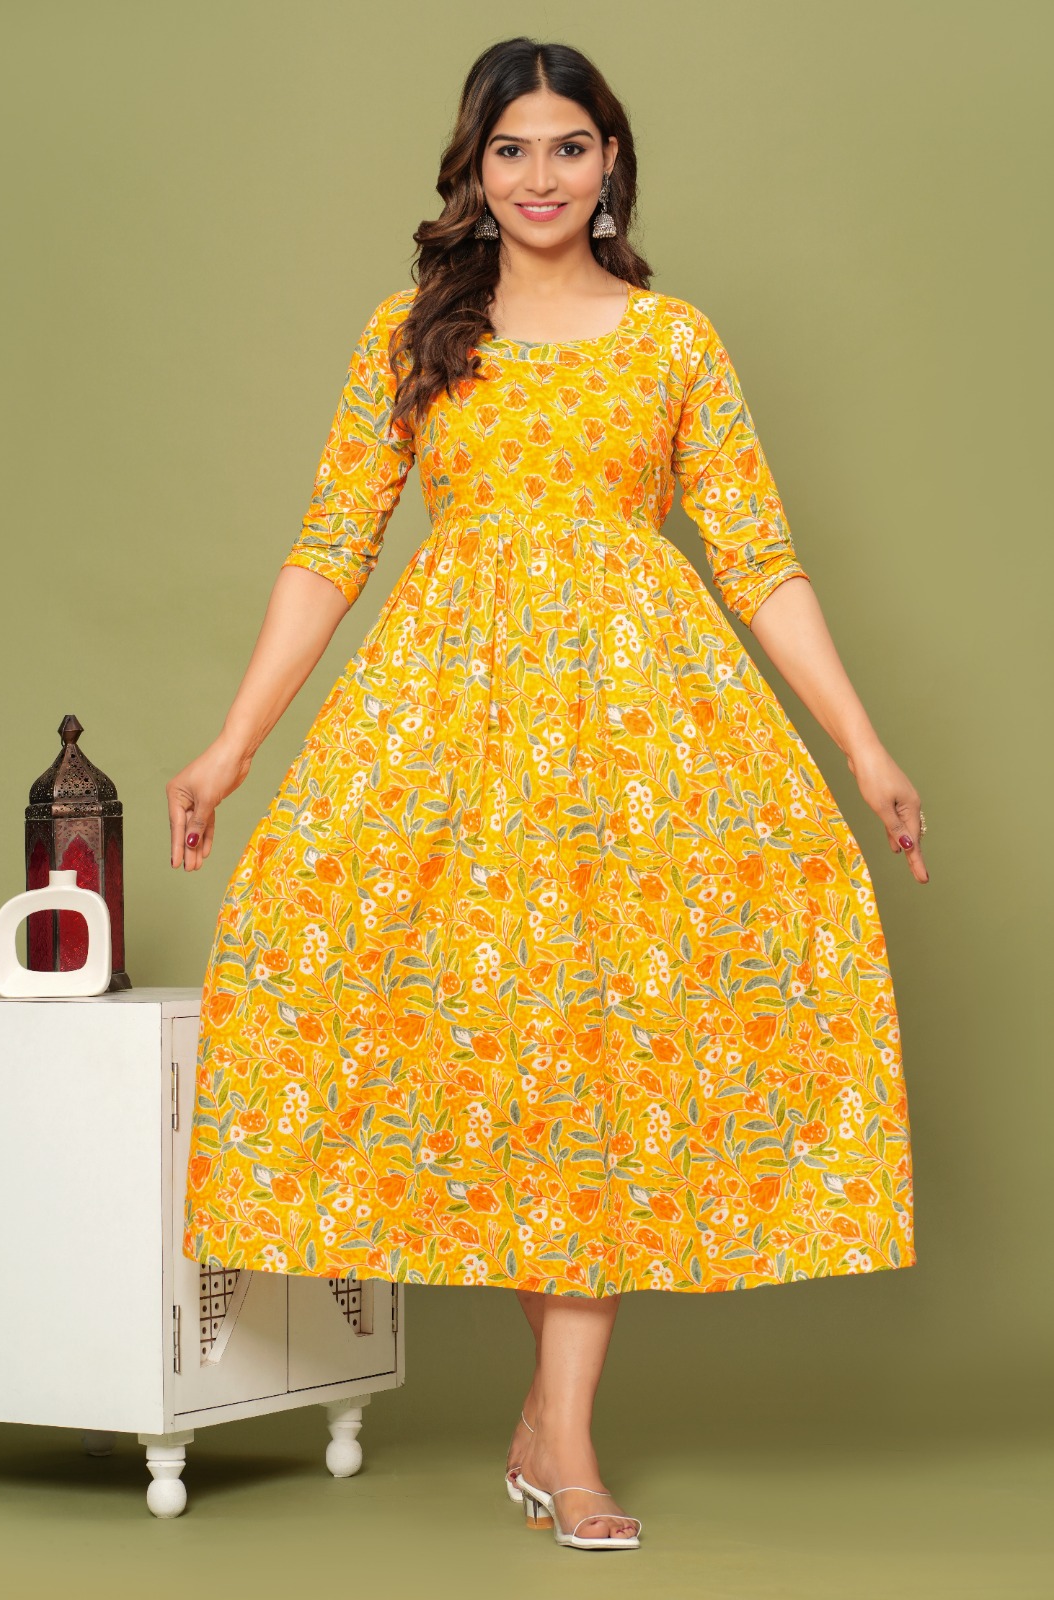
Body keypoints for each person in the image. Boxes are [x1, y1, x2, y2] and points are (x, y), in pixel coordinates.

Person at [165, 36, 926, 1552]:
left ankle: (562, 1435)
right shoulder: (413, 336)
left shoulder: (672, 341)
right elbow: (331, 545)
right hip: (453, 730)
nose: (538, 176)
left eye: (567, 146)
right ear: (473, 166)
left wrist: (861, 742)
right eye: (510, 149)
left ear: (609, 160)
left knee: (600, 1057)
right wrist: (233, 743)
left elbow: (757, 554)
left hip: (642, 738)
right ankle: (551, 1430)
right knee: (502, 1047)